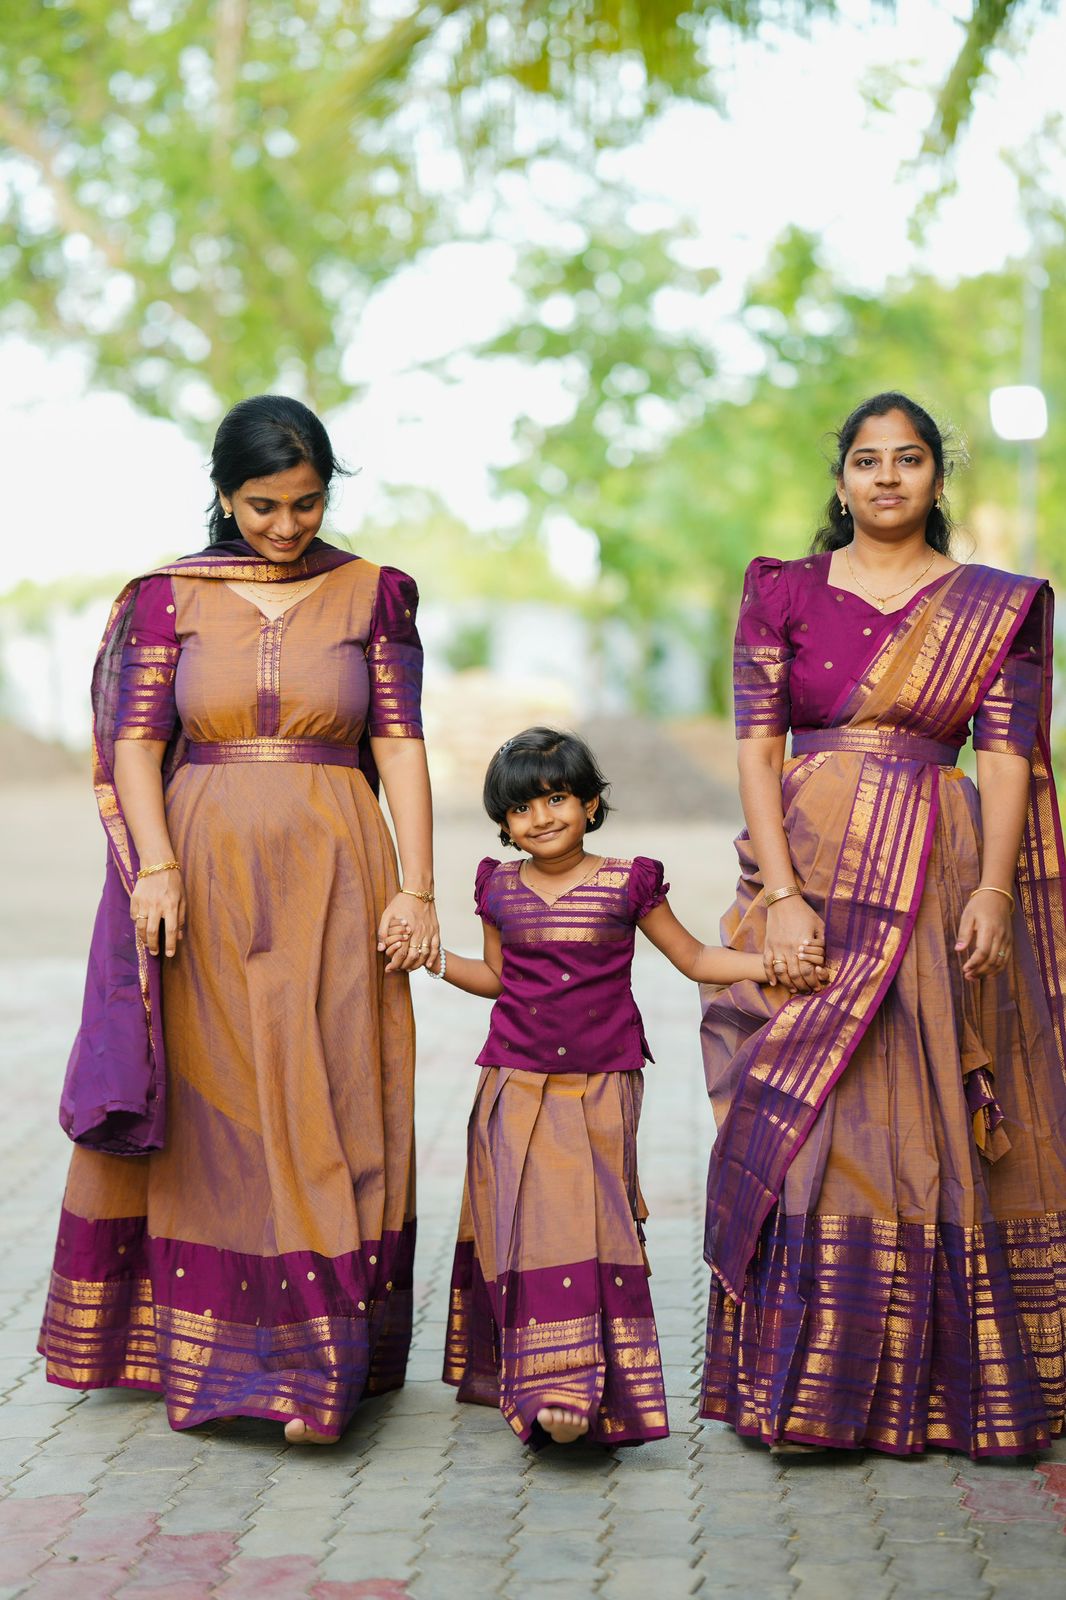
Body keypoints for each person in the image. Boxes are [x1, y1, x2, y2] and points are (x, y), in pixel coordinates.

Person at [39, 395, 437, 1445]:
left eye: (306, 504)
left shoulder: (374, 592)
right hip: (201, 868)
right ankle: (219, 1362)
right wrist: (155, 870)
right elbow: (132, 741)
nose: (286, 525)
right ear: (223, 494)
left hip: (339, 867)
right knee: (223, 1110)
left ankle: (318, 1366)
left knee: (331, 1094)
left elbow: (399, 744)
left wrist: (419, 885)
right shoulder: (168, 598)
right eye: (263, 505)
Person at [699, 390, 1066, 1457]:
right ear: (842, 478)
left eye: (909, 460)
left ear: (937, 480)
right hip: (807, 864)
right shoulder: (782, 592)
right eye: (868, 460)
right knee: (814, 1118)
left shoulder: (990, 604)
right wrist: (779, 891)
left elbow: (1003, 755)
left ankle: (933, 1387)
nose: (888, 477)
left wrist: (995, 890)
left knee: (922, 1113)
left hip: (938, 871)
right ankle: (811, 1388)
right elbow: (757, 749)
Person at [389, 727, 827, 1448]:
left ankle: (585, 1378)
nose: (543, 817)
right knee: (523, 1225)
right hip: (513, 1082)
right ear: (505, 825)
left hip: (600, 1087)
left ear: (591, 805)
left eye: (557, 797)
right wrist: (434, 963)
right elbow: (498, 980)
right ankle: (545, 1385)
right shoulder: (496, 887)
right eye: (523, 808)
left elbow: (691, 959)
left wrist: (769, 969)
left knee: (593, 1224)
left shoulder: (629, 881)